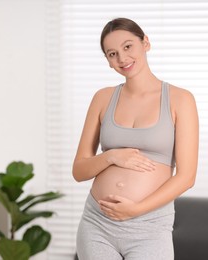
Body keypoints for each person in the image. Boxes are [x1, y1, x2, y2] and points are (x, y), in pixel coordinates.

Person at [72, 17, 199, 260]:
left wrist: (135, 210)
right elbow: (79, 170)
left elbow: (186, 177)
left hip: (149, 226)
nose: (122, 58)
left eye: (128, 46)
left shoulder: (180, 99)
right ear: (108, 61)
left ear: (146, 43)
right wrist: (111, 156)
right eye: (112, 53)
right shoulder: (103, 98)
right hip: (97, 224)